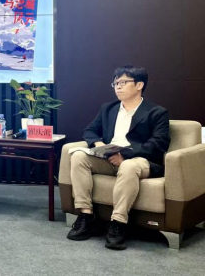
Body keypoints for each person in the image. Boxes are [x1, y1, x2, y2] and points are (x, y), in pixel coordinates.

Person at [67, 65, 170, 250]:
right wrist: (98, 144)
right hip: (109, 158)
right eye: (115, 83)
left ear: (139, 85)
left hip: (139, 160)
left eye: (123, 82)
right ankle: (86, 215)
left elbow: (158, 145)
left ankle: (118, 223)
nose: (118, 86)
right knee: (78, 156)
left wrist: (125, 155)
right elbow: (89, 130)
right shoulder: (108, 108)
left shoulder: (157, 112)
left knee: (129, 166)